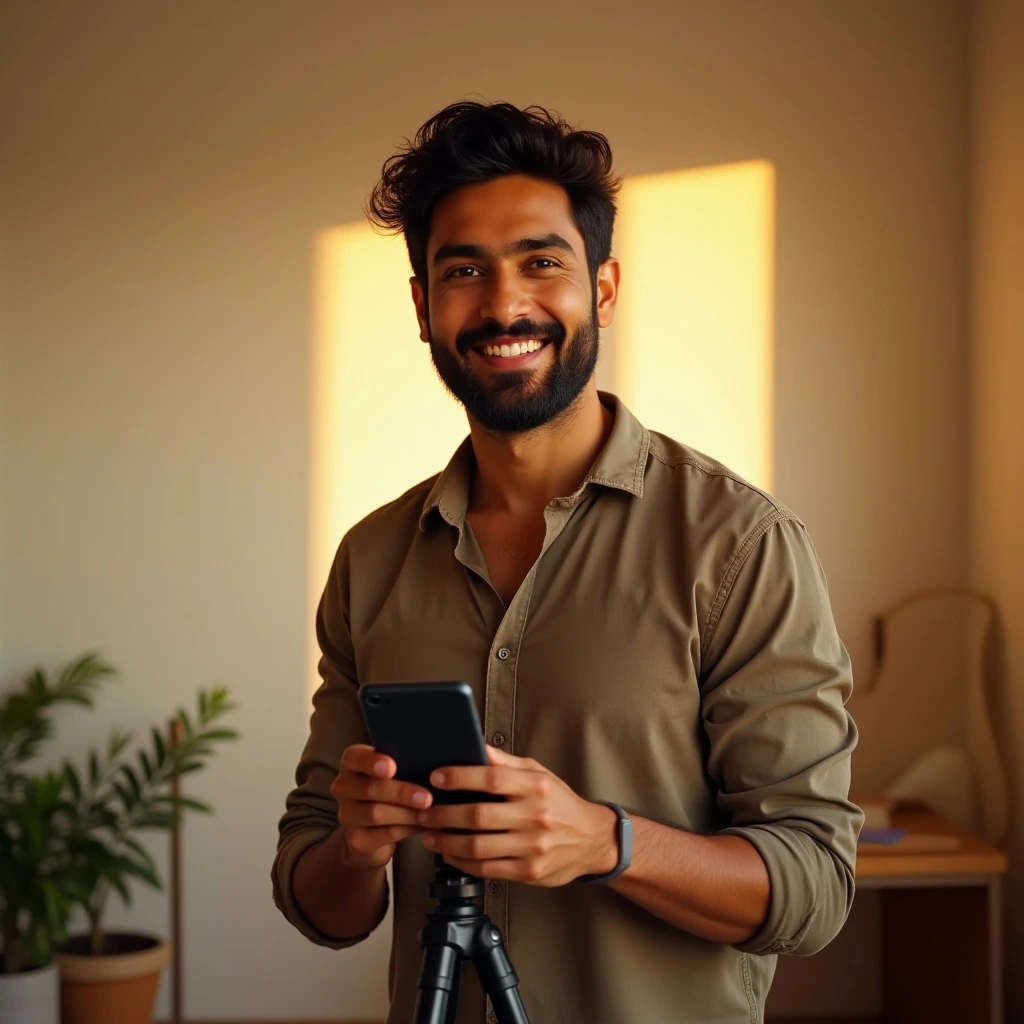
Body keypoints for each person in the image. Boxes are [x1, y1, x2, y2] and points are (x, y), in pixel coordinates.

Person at [273, 101, 862, 1024]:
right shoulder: (371, 559)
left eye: (541, 263)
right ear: (425, 307)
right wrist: (353, 849)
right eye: (463, 270)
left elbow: (816, 888)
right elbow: (320, 907)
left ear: (605, 287)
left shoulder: (740, 544)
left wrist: (606, 843)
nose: (504, 305)